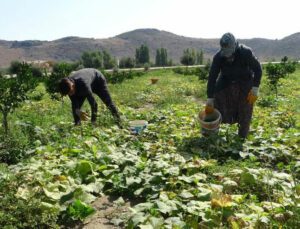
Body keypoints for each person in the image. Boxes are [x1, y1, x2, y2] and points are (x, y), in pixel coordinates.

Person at [205, 32, 262, 138]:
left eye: (230, 52)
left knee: (245, 107)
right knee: (217, 100)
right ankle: (213, 133)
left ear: (235, 46)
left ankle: (242, 136)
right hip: (226, 80)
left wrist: (255, 88)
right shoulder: (218, 57)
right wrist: (210, 98)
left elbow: (258, 69)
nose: (228, 55)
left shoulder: (245, 52)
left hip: (245, 81)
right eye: (225, 52)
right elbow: (212, 77)